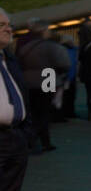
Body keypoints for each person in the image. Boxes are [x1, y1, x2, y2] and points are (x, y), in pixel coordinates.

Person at [0, 7, 33, 191]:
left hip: (14, 137)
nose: (8, 29)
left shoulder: (8, 59)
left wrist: (26, 131)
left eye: (8, 24)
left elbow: (21, 95)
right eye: (1, 25)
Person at [16, 20, 68, 153]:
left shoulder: (26, 47)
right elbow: (63, 64)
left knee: (33, 111)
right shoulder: (51, 46)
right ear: (44, 31)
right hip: (48, 77)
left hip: (28, 81)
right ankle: (43, 140)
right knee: (45, 111)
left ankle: (34, 139)